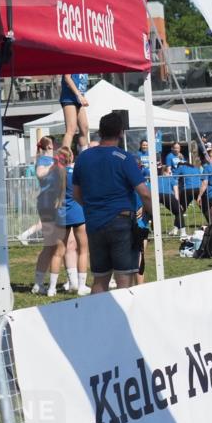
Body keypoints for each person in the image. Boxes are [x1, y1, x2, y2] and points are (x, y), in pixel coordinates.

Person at [72, 112, 152, 293]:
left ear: (100, 132)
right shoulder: (124, 158)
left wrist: (93, 207)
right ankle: (123, 319)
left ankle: (96, 319)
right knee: (124, 280)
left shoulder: (83, 158)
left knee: (100, 279)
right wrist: (151, 212)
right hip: (121, 222)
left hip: (94, 223)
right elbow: (144, 193)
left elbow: (76, 193)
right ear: (121, 133)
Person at [47, 147, 91, 296]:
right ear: (71, 157)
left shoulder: (54, 174)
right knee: (83, 250)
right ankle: (81, 286)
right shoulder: (75, 172)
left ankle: (51, 289)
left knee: (58, 252)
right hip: (78, 213)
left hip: (61, 214)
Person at [29, 141, 68, 294]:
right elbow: (40, 173)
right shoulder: (44, 160)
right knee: (51, 245)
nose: (55, 148)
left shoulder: (55, 159)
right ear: (47, 148)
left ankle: (65, 281)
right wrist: (54, 165)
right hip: (47, 205)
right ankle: (39, 284)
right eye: (52, 146)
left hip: (56, 205)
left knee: (60, 245)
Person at [59, 74, 89, 151]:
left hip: (79, 99)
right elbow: (67, 78)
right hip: (69, 99)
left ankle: (83, 155)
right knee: (71, 129)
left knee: (84, 128)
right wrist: (79, 95)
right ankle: (64, 159)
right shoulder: (72, 62)